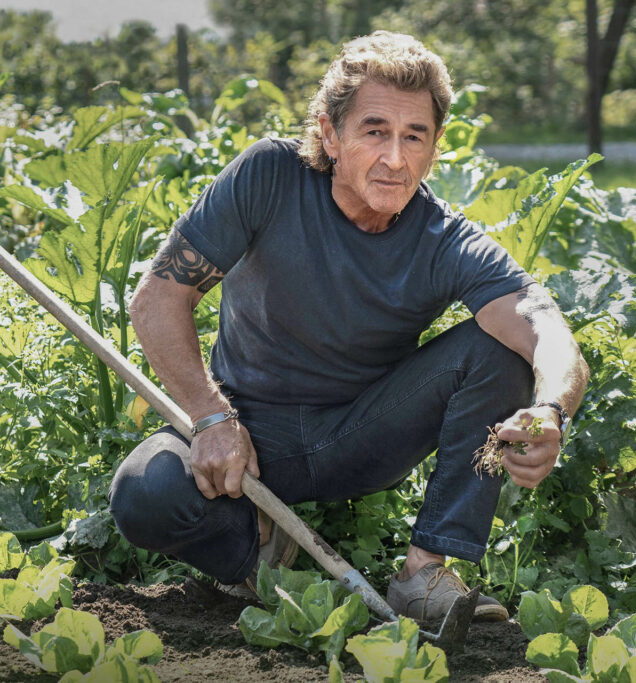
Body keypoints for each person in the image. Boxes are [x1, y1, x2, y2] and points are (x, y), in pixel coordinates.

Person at [109, 31, 589, 622]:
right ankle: (253, 548)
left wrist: (552, 413)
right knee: (143, 491)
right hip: (249, 434)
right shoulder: (269, 177)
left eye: (414, 136)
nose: (395, 157)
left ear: (435, 147)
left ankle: (424, 574)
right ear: (331, 134)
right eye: (374, 131)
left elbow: (547, 332)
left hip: (362, 436)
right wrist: (211, 417)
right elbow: (156, 300)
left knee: (502, 352)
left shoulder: (445, 241)